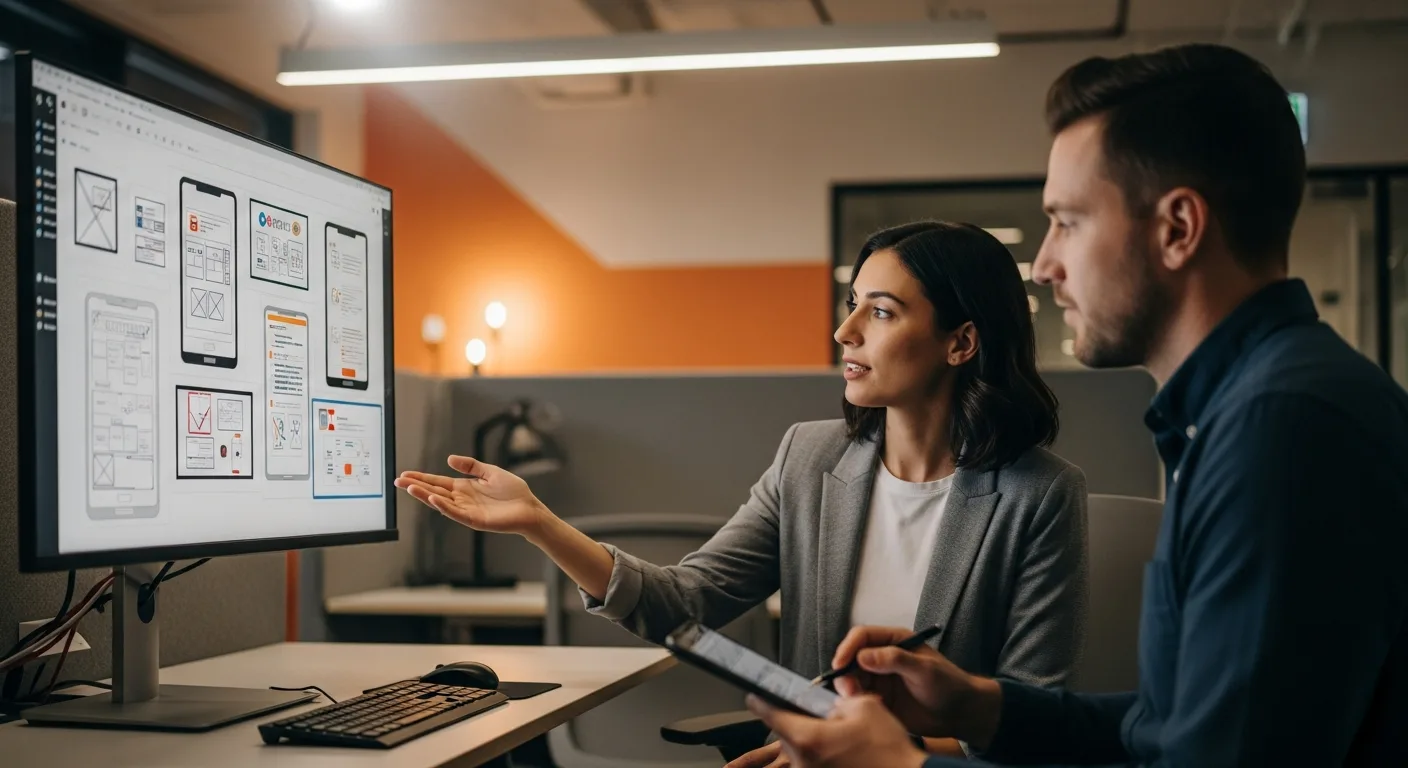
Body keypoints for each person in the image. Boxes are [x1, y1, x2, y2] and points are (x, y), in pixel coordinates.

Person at [744, 42, 1408, 768]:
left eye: (1068, 221)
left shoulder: (1281, 430)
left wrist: (904, 765)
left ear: (1178, 229)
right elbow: (1173, 728)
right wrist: (980, 705)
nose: (1049, 263)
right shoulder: (1243, 413)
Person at [397, 221, 1090, 765]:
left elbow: (1027, 721)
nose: (844, 332)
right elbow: (683, 606)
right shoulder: (809, 459)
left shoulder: (1039, 495)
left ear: (960, 342)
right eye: (852, 307)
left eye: (880, 312)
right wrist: (540, 524)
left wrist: (877, 757)